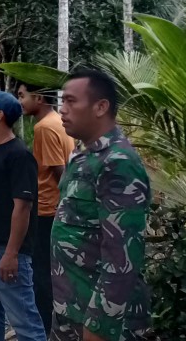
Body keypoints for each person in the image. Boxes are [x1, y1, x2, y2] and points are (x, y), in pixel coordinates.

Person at [52, 70, 151, 341]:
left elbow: (123, 257)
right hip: (71, 308)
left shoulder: (118, 162)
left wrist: (99, 326)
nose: (62, 109)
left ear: (100, 107)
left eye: (71, 101)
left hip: (102, 321)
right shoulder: (82, 155)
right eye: (62, 101)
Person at [0, 91, 46, 341]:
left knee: (23, 320)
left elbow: (23, 207)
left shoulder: (19, 156)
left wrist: (12, 253)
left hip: (5, 250)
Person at [17, 83, 75, 337]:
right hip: (56, 208)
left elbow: (58, 171)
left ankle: (41, 327)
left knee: (41, 272)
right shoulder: (58, 121)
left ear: (38, 98)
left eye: (22, 96)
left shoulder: (44, 128)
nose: (19, 101)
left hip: (46, 211)